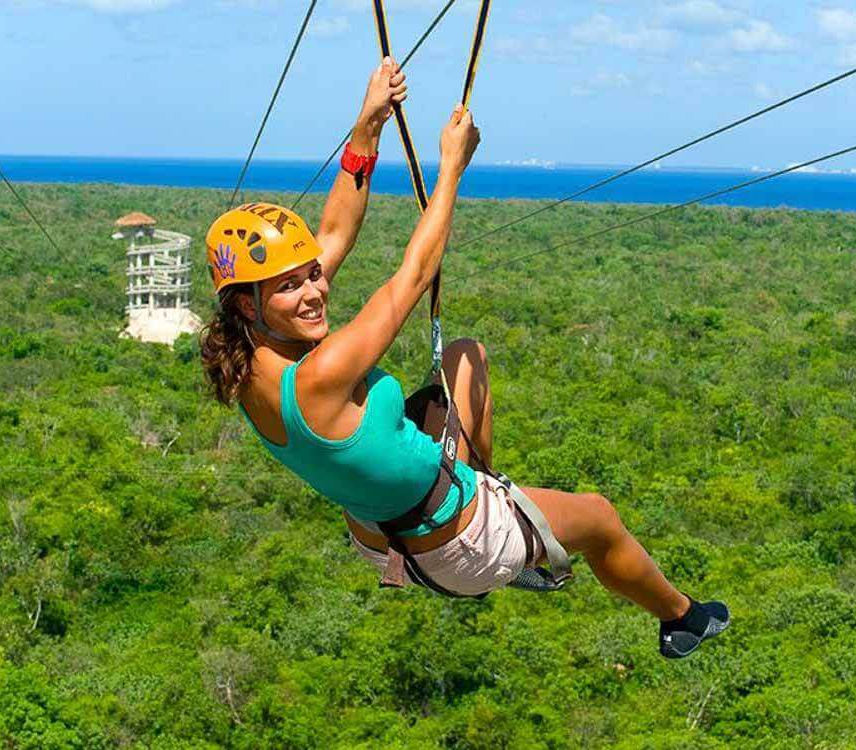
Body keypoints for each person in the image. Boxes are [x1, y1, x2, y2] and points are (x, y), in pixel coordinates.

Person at [200, 58, 729, 659]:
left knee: (465, 356)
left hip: (383, 530)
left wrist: (368, 124)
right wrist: (452, 167)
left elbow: (335, 231)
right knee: (599, 519)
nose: (316, 291)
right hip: (454, 545)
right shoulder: (319, 376)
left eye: (312, 276)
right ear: (247, 303)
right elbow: (415, 274)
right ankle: (681, 617)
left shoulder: (247, 355)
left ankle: (499, 514)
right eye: (291, 287)